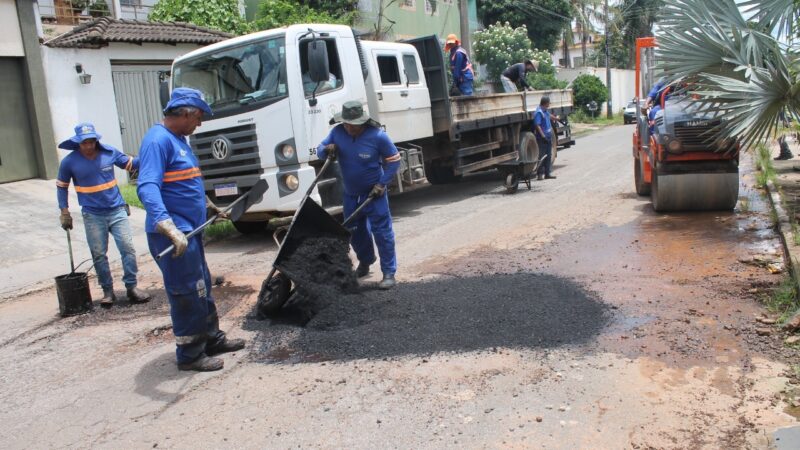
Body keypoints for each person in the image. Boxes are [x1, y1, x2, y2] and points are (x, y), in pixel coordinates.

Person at [137, 88, 244, 372]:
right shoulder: (157, 141)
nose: (200, 124)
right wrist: (167, 224)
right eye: (198, 117)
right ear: (185, 113)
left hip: (190, 231)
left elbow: (186, 181)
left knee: (202, 287)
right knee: (186, 292)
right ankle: (189, 354)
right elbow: (147, 186)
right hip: (173, 235)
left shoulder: (180, 141)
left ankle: (211, 339)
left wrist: (208, 204)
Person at [56, 123, 151, 306]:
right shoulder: (69, 162)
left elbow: (130, 164)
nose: (89, 146)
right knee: (99, 254)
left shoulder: (109, 153)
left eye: (92, 141)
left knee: (128, 249)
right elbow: (61, 187)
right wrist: (64, 212)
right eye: (85, 143)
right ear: (78, 143)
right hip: (92, 215)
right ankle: (108, 291)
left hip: (117, 210)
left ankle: (131, 287)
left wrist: (150, 153)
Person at [317, 101, 401, 290]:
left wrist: (382, 184)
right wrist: (327, 149)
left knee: (382, 233)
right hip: (350, 195)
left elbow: (394, 161)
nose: (348, 128)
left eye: (352, 125)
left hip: (374, 195)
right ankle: (365, 261)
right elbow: (320, 151)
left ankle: (388, 272)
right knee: (355, 231)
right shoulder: (338, 132)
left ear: (362, 122)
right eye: (345, 123)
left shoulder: (378, 136)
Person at [533, 96, 557, 180]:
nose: (549, 105)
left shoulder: (545, 111)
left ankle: (547, 173)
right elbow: (537, 125)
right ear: (545, 103)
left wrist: (556, 118)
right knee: (542, 156)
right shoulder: (539, 112)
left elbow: (549, 116)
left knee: (548, 155)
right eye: (548, 103)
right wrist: (543, 136)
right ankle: (539, 174)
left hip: (548, 136)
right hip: (542, 138)